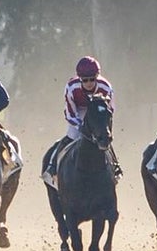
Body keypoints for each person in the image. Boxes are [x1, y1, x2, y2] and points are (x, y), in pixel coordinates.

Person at [44, 55, 117, 183]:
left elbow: (110, 111)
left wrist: (101, 127)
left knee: (104, 137)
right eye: (85, 80)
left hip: (97, 112)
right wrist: (81, 126)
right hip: (78, 110)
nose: (88, 83)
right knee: (72, 135)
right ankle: (53, 166)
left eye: (92, 79)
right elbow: (70, 113)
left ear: (97, 77)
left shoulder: (106, 87)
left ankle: (115, 166)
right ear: (80, 78)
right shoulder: (71, 87)